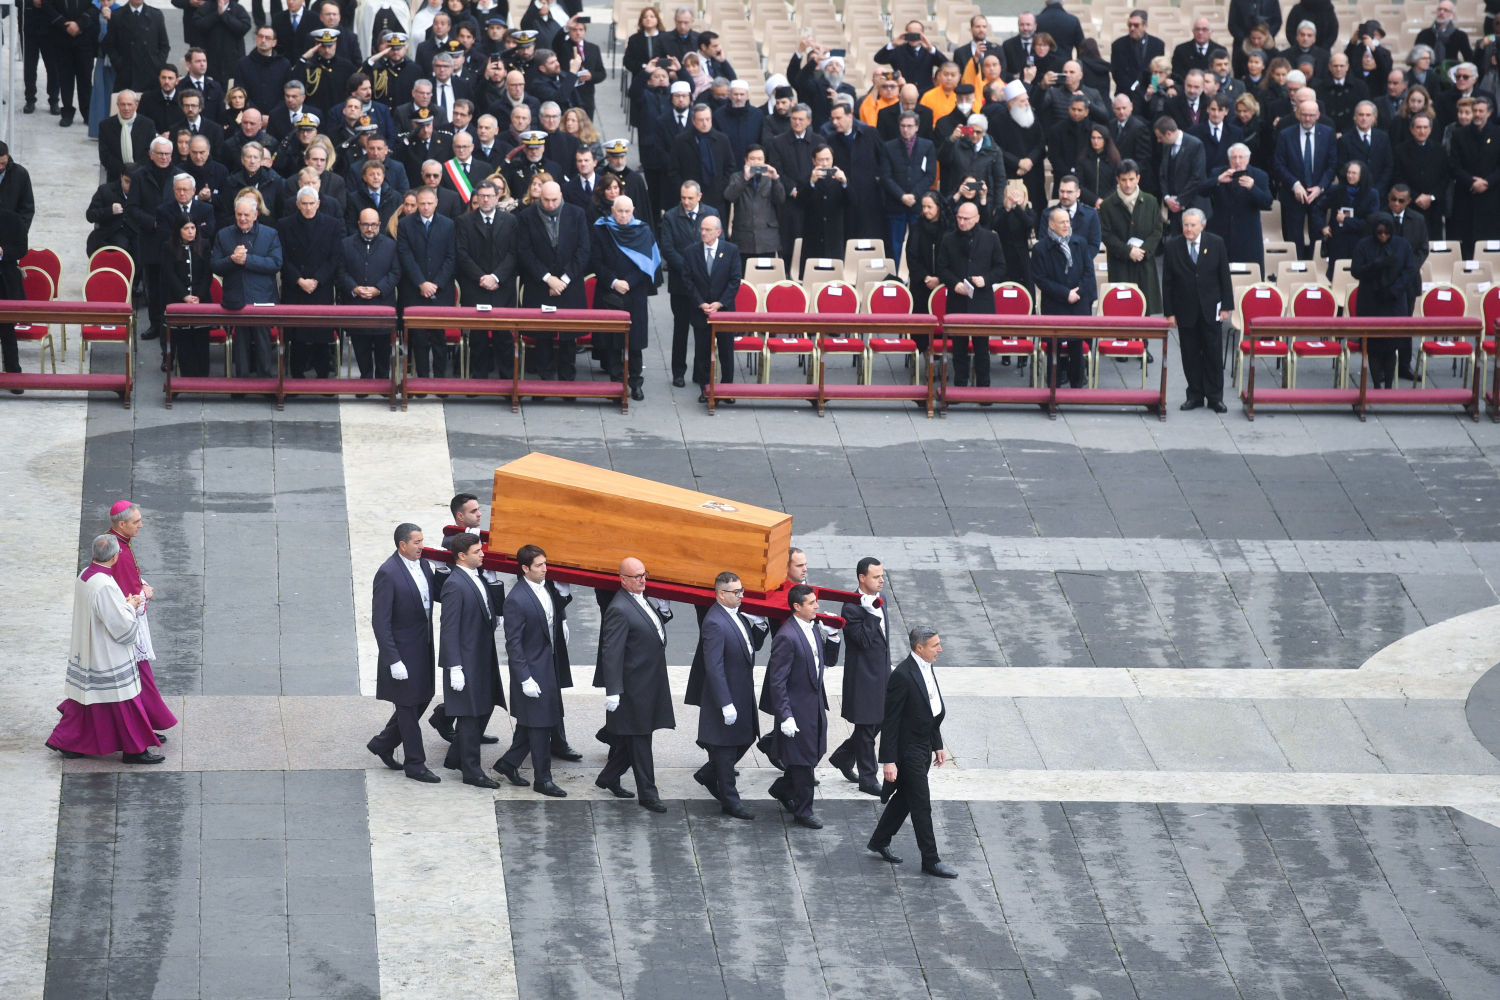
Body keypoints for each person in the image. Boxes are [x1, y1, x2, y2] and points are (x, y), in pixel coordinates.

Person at [45, 535, 164, 764]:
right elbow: (120, 625)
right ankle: (134, 750)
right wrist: (131, 606)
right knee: (124, 699)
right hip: (106, 652)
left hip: (88, 647)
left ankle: (67, 742)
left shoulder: (84, 576)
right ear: (115, 556)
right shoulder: (105, 585)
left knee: (88, 701)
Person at [867, 625, 952, 877]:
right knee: (921, 804)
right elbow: (890, 721)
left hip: (924, 745)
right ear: (919, 648)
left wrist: (937, 743)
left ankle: (880, 840)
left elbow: (931, 709)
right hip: (908, 751)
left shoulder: (927, 666)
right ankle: (931, 859)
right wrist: (889, 761)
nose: (940, 649)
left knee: (905, 796)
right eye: (935, 645)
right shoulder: (902, 676)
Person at [685, 571, 769, 819]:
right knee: (724, 748)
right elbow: (714, 666)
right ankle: (730, 801)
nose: (742, 595)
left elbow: (748, 645)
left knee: (746, 738)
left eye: (742, 590)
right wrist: (725, 703)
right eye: (736, 592)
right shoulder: (714, 622)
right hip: (727, 697)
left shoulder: (736, 616)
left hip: (741, 691)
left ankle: (709, 774)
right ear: (721, 594)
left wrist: (761, 626)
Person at [593, 557, 674, 812]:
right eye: (636, 576)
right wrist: (613, 690)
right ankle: (648, 794)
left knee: (635, 738)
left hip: (649, 682)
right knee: (641, 740)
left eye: (644, 574)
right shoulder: (619, 608)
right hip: (633, 688)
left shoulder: (640, 599)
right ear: (623, 579)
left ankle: (608, 776)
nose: (643, 579)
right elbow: (612, 652)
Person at [366, 522, 443, 782]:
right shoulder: (388, 573)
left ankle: (383, 743)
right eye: (417, 542)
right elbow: (380, 621)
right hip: (402, 652)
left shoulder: (423, 565)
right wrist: (393, 660)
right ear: (403, 545)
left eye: (422, 540)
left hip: (423, 648)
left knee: (422, 698)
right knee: (408, 707)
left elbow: (434, 596)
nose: (422, 546)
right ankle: (415, 764)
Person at [495, 544, 570, 797]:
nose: (545, 569)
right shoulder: (516, 599)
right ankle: (543, 779)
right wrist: (524, 678)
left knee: (532, 723)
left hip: (547, 666)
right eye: (539, 566)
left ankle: (508, 763)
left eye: (545, 564)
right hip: (531, 672)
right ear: (525, 568)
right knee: (540, 726)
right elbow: (513, 644)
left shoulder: (544, 587)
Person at [436, 532, 504, 788]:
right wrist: (454, 667)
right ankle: (472, 771)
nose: (483, 554)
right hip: (466, 661)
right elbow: (449, 628)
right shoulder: (454, 584)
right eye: (477, 551)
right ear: (462, 556)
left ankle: (455, 758)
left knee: (483, 709)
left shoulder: (476, 578)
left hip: (481, 657)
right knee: (469, 716)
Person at [766, 584, 837, 829]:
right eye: (811, 603)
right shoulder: (787, 636)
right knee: (804, 762)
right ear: (797, 607)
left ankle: (782, 788)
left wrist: (834, 637)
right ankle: (804, 811)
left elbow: (826, 662)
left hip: (814, 706)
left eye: (815, 601)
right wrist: (785, 715)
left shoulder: (813, 627)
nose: (816, 606)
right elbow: (777, 681)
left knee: (815, 753)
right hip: (797, 710)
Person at [828, 557, 891, 796]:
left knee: (880, 722)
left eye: (882, 575)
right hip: (863, 679)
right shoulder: (851, 607)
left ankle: (844, 757)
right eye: (876, 577)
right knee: (866, 729)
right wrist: (870, 613)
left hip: (882, 673)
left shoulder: (881, 600)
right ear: (861, 578)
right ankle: (868, 778)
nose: (881, 580)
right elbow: (863, 641)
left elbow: (882, 640)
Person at [515, 180, 590, 380]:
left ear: (561, 196)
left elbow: (583, 251)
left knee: (568, 336)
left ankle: (567, 380)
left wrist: (563, 280)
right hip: (540, 284)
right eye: (545, 200)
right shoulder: (526, 217)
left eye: (554, 200)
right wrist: (548, 279)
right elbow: (525, 251)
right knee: (543, 336)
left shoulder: (577, 214)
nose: (550, 205)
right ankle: (544, 380)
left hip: (570, 285)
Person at [1162, 208, 1235, 412]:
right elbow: (1167, 282)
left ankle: (1215, 397)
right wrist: (1169, 313)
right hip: (1185, 310)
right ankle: (1194, 394)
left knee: (1213, 353)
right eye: (1185, 224)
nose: (1188, 229)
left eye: (1193, 225)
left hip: (1211, 309)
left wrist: (1227, 306)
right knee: (1190, 354)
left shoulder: (1216, 243)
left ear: (1202, 225)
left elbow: (1224, 277)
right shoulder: (1172, 246)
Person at [590, 195, 660, 400]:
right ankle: (616, 383)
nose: (623, 215)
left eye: (627, 211)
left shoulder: (643, 230)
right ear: (613, 211)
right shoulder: (601, 229)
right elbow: (595, 261)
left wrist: (628, 282)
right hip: (608, 290)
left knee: (635, 340)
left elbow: (647, 263)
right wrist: (613, 282)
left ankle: (636, 382)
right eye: (619, 211)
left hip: (634, 292)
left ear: (633, 210)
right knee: (612, 340)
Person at [211, 194, 283, 377]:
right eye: (239, 214)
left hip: (262, 298)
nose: (242, 218)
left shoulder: (270, 233)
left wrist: (247, 260)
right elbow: (216, 266)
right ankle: (241, 384)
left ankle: (265, 382)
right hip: (236, 297)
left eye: (246, 215)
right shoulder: (224, 234)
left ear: (255, 215)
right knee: (240, 341)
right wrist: (232, 260)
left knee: (263, 341)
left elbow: (275, 263)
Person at [936, 200, 1006, 388]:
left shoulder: (991, 238)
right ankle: (960, 386)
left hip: (982, 301)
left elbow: (1001, 267)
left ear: (977, 219)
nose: (962, 222)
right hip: (957, 299)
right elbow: (941, 268)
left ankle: (983, 387)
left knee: (982, 348)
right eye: (959, 218)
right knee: (959, 348)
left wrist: (987, 279)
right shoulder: (948, 239)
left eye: (966, 219)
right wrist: (954, 283)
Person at [455, 180, 520, 379]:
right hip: (475, 286)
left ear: (497, 196)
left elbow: (513, 253)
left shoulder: (510, 221)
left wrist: (496, 277)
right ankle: (478, 378)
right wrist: (481, 277)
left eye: (489, 196)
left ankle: (508, 379)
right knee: (478, 336)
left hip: (502, 286)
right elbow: (462, 254)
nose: (485, 199)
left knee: (504, 336)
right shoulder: (464, 221)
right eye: (481, 196)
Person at [1031, 205, 1098, 388]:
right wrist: (1065, 294)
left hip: (1078, 303)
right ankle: (1054, 388)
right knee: (1054, 347)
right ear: (1051, 225)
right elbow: (1041, 279)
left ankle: (1077, 385)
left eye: (1068, 221)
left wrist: (1077, 293)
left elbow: (1088, 272)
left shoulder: (1080, 243)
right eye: (1062, 222)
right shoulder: (1041, 249)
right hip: (1055, 304)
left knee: (1076, 345)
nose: (1066, 225)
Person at [1351, 211, 1420, 388]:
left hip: (1394, 301)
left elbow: (1410, 270)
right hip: (1371, 300)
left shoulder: (1402, 245)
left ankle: (1388, 386)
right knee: (1373, 346)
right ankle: (1376, 385)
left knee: (1391, 346)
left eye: (1386, 233)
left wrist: (1395, 289)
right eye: (1379, 233)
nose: (1383, 236)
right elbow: (1356, 271)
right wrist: (1376, 265)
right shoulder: (1363, 245)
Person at [278, 186, 341, 379]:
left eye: (311, 204)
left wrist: (317, 280)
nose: (307, 208)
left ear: (318, 204)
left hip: (320, 287)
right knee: (297, 337)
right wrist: (299, 280)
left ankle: (323, 377)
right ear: (297, 204)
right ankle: (296, 377)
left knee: (321, 334)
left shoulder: (332, 224)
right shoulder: (284, 225)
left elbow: (335, 257)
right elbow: (283, 257)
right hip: (295, 287)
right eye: (303, 204)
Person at [397, 185, 457, 377]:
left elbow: (451, 257)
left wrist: (436, 284)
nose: (425, 207)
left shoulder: (448, 224)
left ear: (436, 203)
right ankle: (421, 379)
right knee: (419, 337)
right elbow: (405, 256)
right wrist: (421, 283)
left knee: (439, 337)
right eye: (422, 204)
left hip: (441, 290)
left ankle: (440, 380)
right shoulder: (405, 224)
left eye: (429, 203)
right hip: (415, 289)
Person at [338, 206, 400, 381]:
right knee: (361, 344)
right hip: (357, 304)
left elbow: (396, 272)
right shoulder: (346, 244)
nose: (370, 228)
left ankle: (382, 381)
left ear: (380, 224)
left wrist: (378, 289)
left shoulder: (390, 245)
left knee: (383, 346)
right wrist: (354, 288)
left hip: (382, 304)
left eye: (374, 224)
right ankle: (365, 379)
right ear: (359, 224)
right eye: (365, 224)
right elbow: (341, 272)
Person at [684, 215, 741, 401]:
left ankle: (727, 389)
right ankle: (705, 389)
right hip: (701, 310)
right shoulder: (691, 251)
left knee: (726, 350)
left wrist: (720, 303)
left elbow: (734, 280)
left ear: (718, 232)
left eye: (707, 230)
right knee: (702, 352)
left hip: (723, 311)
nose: (703, 233)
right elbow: (687, 280)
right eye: (702, 229)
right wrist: (700, 303)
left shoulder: (730, 250)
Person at [1273, 100, 1337, 259]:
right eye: (1304, 115)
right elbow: (1279, 164)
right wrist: (1295, 185)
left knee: (1318, 235)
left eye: (1311, 115)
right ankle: (1297, 270)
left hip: (1319, 195)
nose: (1307, 119)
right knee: (1294, 236)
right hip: (1293, 194)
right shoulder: (1286, 134)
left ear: (1318, 115)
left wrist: (1320, 187)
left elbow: (1333, 164)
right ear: (1298, 115)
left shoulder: (1328, 133)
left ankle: (1315, 269)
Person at [1099, 160, 1163, 315]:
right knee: (1121, 307)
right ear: (1117, 180)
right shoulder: (1107, 205)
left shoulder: (1150, 201)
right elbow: (1106, 235)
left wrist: (1143, 251)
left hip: (1144, 263)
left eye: (1131, 179)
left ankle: (1143, 341)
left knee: (1144, 309)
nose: (1128, 184)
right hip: (1120, 264)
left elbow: (1157, 230)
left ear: (1138, 179)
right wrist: (1128, 251)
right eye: (1123, 180)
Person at [1202, 143, 1273, 274]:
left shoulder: (1259, 175)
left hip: (1248, 236)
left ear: (1248, 159)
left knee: (1249, 277)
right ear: (1229, 159)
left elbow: (1267, 203)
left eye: (1241, 157)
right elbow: (1201, 190)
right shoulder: (1218, 172)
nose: (1237, 161)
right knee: (1218, 276)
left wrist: (1253, 188)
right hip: (1220, 234)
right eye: (1234, 157)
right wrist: (1217, 180)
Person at [161, 216, 213, 377]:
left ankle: (203, 378)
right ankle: (187, 378)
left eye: (193, 228)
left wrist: (199, 296)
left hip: (200, 301)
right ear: (179, 230)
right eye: (186, 228)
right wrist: (184, 295)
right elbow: (169, 274)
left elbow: (207, 274)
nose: (190, 232)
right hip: (179, 300)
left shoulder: (204, 245)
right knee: (184, 343)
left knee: (201, 341)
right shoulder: (168, 247)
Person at [882, 111, 937, 261]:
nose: (906, 129)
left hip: (918, 204)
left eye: (909, 126)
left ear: (917, 127)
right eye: (903, 126)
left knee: (919, 243)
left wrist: (914, 195)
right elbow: (886, 177)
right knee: (895, 244)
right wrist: (901, 196)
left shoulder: (928, 146)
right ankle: (895, 277)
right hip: (896, 204)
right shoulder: (889, 147)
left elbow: (931, 175)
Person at [722, 146, 784, 261]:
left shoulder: (770, 178)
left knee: (766, 276)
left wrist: (776, 179)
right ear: (746, 160)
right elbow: (729, 196)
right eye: (753, 159)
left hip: (767, 239)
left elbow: (780, 199)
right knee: (744, 276)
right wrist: (745, 178)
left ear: (764, 161)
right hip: (743, 239)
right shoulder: (737, 177)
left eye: (760, 159)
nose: (756, 162)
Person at [1321, 159, 1379, 279]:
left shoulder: (1372, 194)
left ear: (1361, 175)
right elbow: (1319, 207)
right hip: (1338, 239)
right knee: (1335, 276)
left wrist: (1346, 221)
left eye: (1354, 173)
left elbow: (1370, 222)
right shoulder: (1336, 190)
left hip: (1359, 241)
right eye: (1349, 172)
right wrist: (1323, 226)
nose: (1350, 176)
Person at [1154, 116, 1209, 235]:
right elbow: (1163, 173)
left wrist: (1180, 201)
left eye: (1160, 137)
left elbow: (1197, 177)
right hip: (1174, 210)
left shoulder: (1195, 145)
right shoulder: (1166, 146)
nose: (1158, 140)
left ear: (1168, 133)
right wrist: (1167, 197)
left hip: (1193, 205)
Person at [104, 0, 169, 94]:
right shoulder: (117, 15)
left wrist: (157, 65)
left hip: (150, 73)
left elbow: (164, 45)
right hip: (126, 73)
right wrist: (118, 63)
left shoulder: (156, 15)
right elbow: (109, 44)